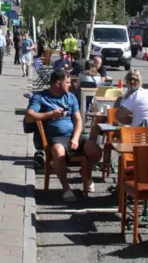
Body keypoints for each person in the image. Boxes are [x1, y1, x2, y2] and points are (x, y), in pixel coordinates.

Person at [26, 69, 102, 201]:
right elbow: (29, 116)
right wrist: (51, 115)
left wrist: (76, 138)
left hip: (73, 136)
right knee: (59, 152)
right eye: (67, 82)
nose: (70, 85)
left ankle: (86, 173)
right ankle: (66, 188)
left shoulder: (71, 97)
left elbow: (78, 119)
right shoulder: (40, 97)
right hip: (54, 138)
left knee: (95, 150)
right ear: (57, 83)